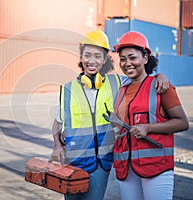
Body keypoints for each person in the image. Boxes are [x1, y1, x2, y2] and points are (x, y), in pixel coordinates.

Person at [50, 30, 169, 200]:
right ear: (81, 57)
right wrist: (56, 145)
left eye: (97, 56)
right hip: (72, 163)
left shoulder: (118, 82)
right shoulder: (68, 89)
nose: (92, 61)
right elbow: (57, 122)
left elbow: (140, 77)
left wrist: (159, 75)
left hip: (101, 164)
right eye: (87, 55)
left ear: (105, 59)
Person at [112, 31, 189, 200]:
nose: (127, 63)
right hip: (126, 168)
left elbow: (183, 122)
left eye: (132, 57)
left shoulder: (161, 86)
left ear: (145, 58)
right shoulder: (120, 89)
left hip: (156, 167)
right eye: (123, 59)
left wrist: (148, 128)